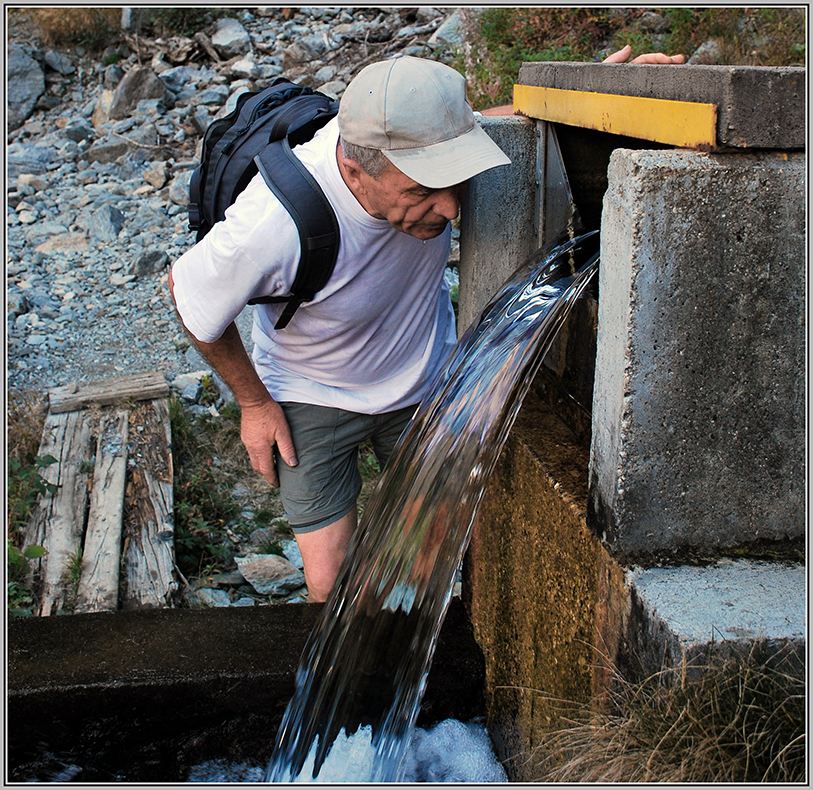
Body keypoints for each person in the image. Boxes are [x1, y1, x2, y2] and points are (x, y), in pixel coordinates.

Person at [169, 56, 511, 602]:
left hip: (422, 379)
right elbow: (188, 298)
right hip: (311, 390)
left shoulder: (413, 153)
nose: (450, 209)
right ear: (355, 171)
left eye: (456, 180)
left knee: (437, 555)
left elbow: (499, 120)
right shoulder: (272, 225)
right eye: (423, 191)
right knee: (330, 586)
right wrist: (254, 404)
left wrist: (586, 92)